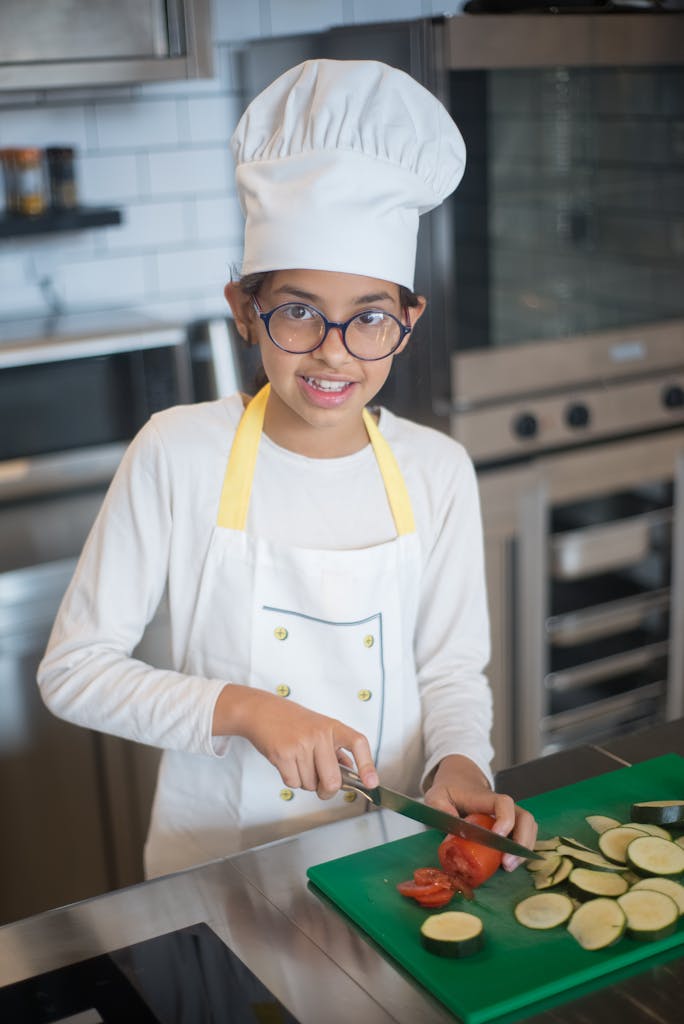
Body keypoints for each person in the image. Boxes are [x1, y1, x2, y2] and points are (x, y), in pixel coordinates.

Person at [38, 59, 537, 879]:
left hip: (393, 865)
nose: (334, 352)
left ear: (409, 320)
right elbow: (73, 672)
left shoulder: (438, 469)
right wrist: (242, 709)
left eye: (369, 317)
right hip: (215, 871)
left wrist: (461, 769)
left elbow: (450, 671)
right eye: (299, 311)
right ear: (245, 310)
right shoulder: (176, 450)